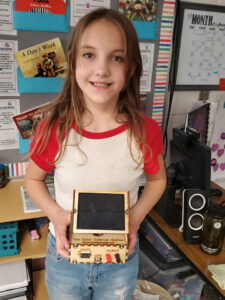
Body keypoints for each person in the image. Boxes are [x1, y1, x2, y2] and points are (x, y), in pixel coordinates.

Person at [25, 8, 166, 300]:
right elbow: (33, 181)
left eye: (116, 57)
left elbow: (157, 180)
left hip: (120, 260)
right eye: (90, 55)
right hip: (66, 257)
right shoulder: (55, 126)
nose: (102, 69)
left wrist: (136, 218)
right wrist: (55, 213)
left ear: (130, 68)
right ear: (73, 61)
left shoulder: (144, 131)